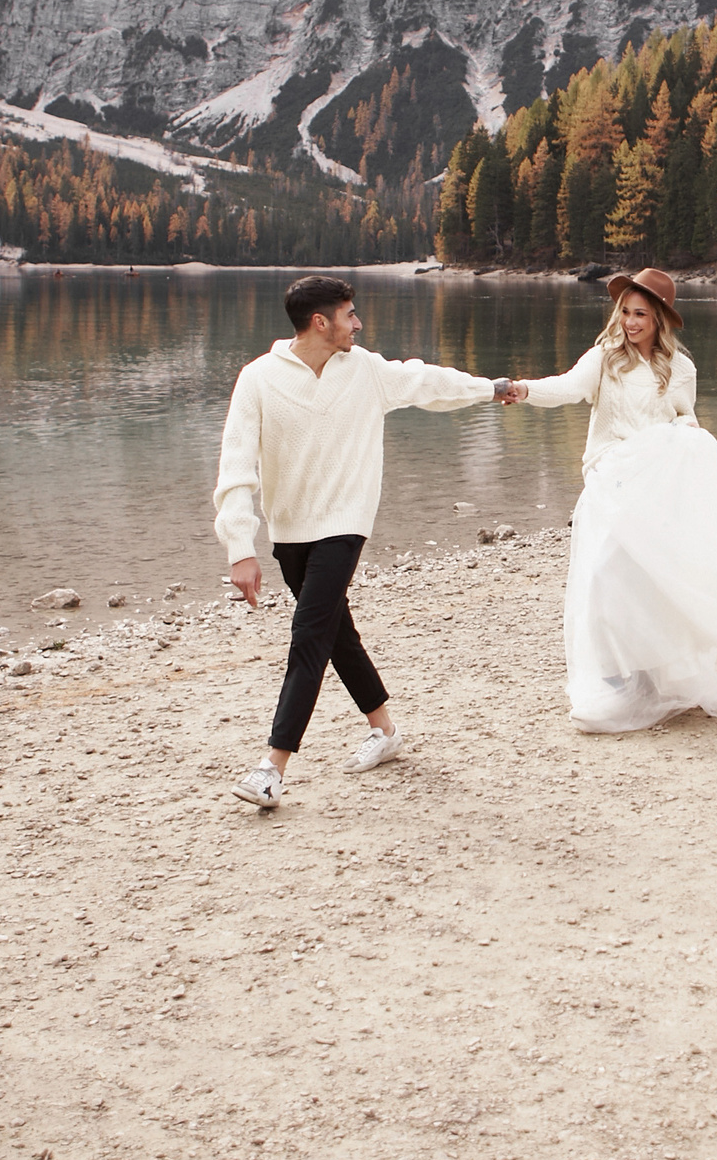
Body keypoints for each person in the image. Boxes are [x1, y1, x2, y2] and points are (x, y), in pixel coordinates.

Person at [215, 274, 516, 810]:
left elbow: (426, 383)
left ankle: (270, 768)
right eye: (349, 314)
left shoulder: (366, 372)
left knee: (309, 634)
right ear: (319, 322)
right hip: (290, 531)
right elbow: (236, 468)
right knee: (336, 634)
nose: (358, 323)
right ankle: (385, 730)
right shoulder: (258, 379)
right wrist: (241, 545)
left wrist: (488, 388)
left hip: (345, 523)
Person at [506, 269, 717, 732]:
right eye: (625, 312)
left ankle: (656, 678)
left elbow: (685, 421)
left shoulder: (679, 369)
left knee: (654, 584)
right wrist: (526, 389)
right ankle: (617, 681)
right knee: (603, 578)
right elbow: (569, 388)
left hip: (656, 490)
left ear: (659, 320)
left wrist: (686, 439)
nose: (630, 323)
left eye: (640, 314)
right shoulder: (604, 359)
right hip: (610, 484)